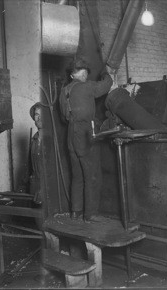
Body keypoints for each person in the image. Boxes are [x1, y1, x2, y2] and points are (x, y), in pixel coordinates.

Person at [59, 59, 113, 222]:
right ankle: (90, 214)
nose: (85, 74)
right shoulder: (87, 86)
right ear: (74, 74)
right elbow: (105, 86)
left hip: (70, 134)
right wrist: (107, 73)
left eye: (85, 72)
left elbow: (63, 117)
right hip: (84, 133)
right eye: (83, 72)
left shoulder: (64, 91)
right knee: (92, 174)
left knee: (77, 176)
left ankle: (76, 211)